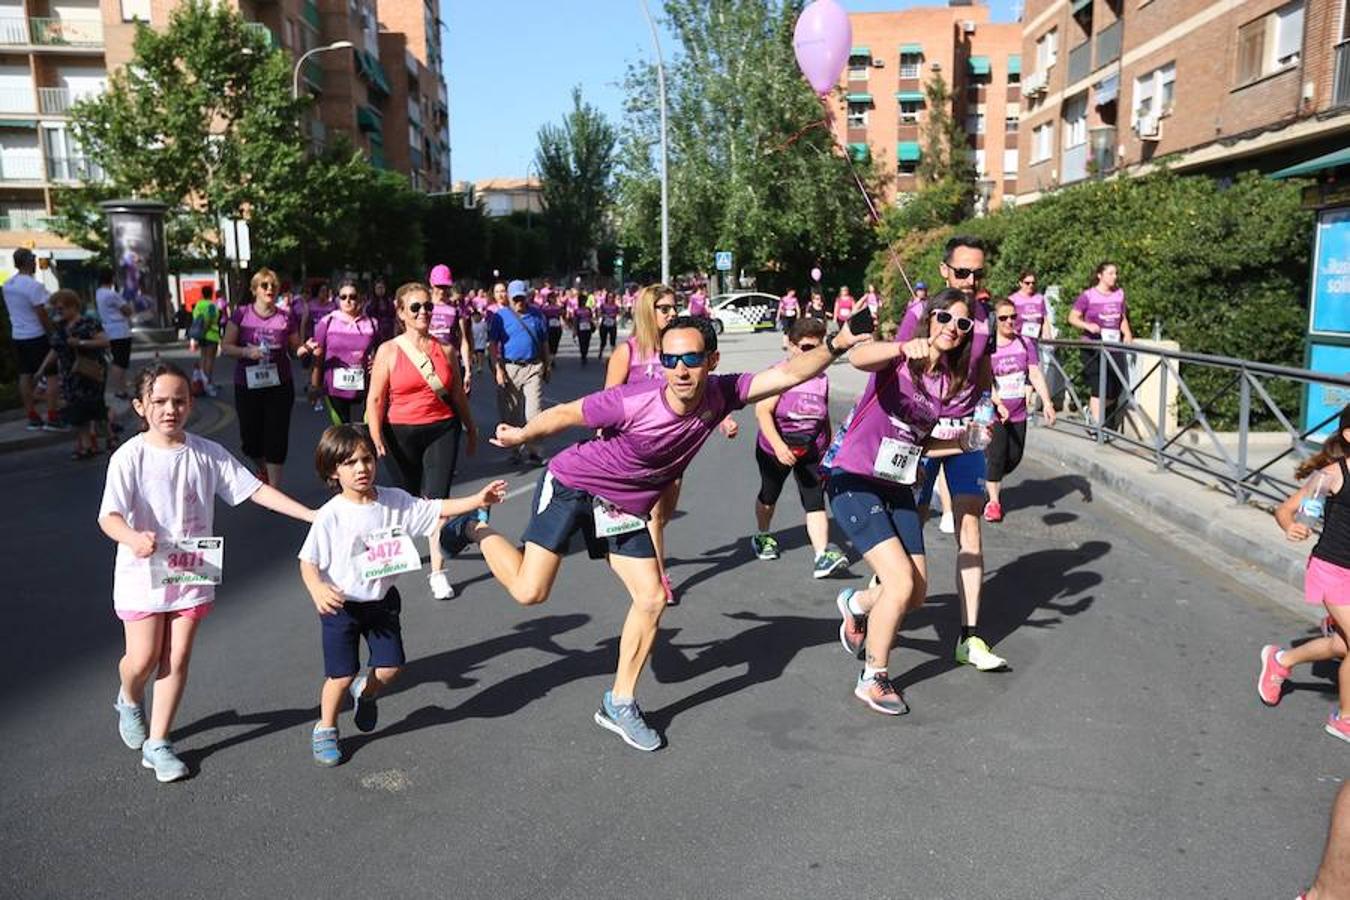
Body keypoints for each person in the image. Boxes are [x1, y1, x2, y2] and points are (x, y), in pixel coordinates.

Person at [442, 313, 871, 751]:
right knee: (530, 591)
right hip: (574, 483)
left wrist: (837, 343)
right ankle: (474, 527)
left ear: (712, 359)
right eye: (670, 359)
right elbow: (570, 412)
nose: (680, 370)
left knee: (651, 597)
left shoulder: (723, 393)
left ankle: (619, 702)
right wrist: (521, 434)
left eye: (691, 358)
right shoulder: (634, 400)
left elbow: (788, 372)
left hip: (622, 506)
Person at [98, 362, 314, 782]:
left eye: (179, 400)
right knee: (141, 660)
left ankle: (158, 743)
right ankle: (128, 696)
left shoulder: (206, 452)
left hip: (191, 569)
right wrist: (131, 537)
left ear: (191, 403)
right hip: (143, 572)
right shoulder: (129, 457)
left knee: (176, 658)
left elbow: (254, 490)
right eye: (159, 401)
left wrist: (308, 514)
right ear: (141, 406)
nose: (170, 409)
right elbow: (108, 517)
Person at [299, 424, 506, 766]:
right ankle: (326, 727)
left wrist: (478, 500)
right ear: (333, 470)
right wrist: (317, 588)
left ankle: (366, 694)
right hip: (341, 606)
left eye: (366, 459)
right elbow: (308, 562)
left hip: (381, 602)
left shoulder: (394, 500)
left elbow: (437, 508)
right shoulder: (331, 515)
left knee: (391, 668)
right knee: (340, 675)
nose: (362, 468)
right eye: (350, 463)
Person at [827, 289, 984, 714]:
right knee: (898, 582)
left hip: (896, 486)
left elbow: (921, 443)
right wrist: (902, 345)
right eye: (944, 318)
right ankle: (873, 677)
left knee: (915, 594)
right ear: (928, 318)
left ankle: (856, 605)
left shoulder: (945, 382)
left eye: (962, 323)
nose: (952, 327)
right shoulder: (898, 358)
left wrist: (964, 442)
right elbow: (858, 358)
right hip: (854, 479)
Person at [897, 235, 1005, 671]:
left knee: (970, 525)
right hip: (922, 435)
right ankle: (876, 599)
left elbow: (982, 368)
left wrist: (988, 404)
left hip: (964, 435)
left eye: (978, 273)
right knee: (911, 526)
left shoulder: (985, 317)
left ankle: (969, 637)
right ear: (945, 271)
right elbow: (893, 367)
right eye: (962, 272)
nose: (971, 280)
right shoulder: (918, 313)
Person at [366, 282, 477, 601]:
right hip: (398, 433)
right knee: (403, 501)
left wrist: (471, 428)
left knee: (436, 503)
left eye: (427, 306)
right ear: (401, 312)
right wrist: (375, 436)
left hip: (441, 429)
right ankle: (384, 567)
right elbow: (375, 399)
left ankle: (438, 573)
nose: (423, 312)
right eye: (415, 307)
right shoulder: (388, 351)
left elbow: (456, 394)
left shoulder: (446, 350)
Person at [1258, 404, 1350, 743]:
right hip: (1331, 568)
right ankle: (1344, 719)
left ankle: (1282, 660)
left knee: (1343, 646)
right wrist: (1292, 527)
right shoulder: (1333, 474)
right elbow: (1286, 509)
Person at [751, 316, 848, 578]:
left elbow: (824, 415)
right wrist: (779, 446)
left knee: (815, 501)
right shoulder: (779, 374)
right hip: (775, 449)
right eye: (807, 348)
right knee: (769, 496)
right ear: (791, 346)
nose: (813, 354)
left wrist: (828, 448)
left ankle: (822, 555)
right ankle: (762, 535)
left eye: (818, 348)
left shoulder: (822, 378)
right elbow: (763, 412)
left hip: (810, 451)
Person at [605, 284, 681, 602]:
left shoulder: (677, 350)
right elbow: (608, 400)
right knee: (650, 516)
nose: (673, 313)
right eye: (665, 308)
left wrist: (722, 419)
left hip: (676, 446)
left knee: (662, 517)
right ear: (648, 311)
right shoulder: (629, 351)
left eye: (674, 307)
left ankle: (645, 567)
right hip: (638, 449)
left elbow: (695, 391)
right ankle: (657, 579)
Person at [221, 267, 310, 486]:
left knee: (276, 436)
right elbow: (226, 347)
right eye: (264, 285)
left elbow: (295, 348)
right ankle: (263, 469)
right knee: (250, 440)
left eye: (273, 285)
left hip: (279, 384)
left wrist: (306, 349)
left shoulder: (285, 317)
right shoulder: (241, 314)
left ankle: (275, 488)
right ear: (255, 290)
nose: (269, 289)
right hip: (247, 384)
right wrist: (246, 352)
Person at [984, 298, 1056, 522]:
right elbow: (985, 380)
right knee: (996, 457)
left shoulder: (1025, 343)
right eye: (1003, 317)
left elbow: (1034, 373)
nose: (1009, 321)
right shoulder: (989, 347)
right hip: (995, 413)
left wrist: (1047, 402)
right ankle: (993, 502)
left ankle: (988, 476)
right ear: (996, 319)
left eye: (1013, 316)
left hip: (1019, 412)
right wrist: (997, 403)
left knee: (1014, 457)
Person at [488, 280, 551, 465]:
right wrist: (498, 369)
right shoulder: (500, 316)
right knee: (511, 413)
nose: (519, 302)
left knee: (534, 413)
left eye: (522, 298)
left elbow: (544, 342)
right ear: (508, 297)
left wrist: (547, 365)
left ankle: (534, 451)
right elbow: (492, 345)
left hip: (533, 367)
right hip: (510, 368)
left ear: (527, 296)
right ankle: (515, 449)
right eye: (515, 298)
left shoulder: (537, 315)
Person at [46, 289, 109, 459]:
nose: (59, 312)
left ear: (73, 306)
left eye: (62, 308)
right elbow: (55, 349)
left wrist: (80, 342)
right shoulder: (60, 327)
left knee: (92, 408)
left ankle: (105, 437)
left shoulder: (88, 323)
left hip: (89, 372)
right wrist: (41, 369)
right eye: (57, 309)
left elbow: (104, 341)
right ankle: (87, 445)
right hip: (70, 374)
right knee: (77, 410)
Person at [1069, 261, 1133, 428]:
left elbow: (1122, 318)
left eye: (1116, 273)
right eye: (1111, 273)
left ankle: (1091, 412)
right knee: (1099, 385)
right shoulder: (1088, 295)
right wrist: (1087, 326)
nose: (1114, 277)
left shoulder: (1119, 294)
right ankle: (1097, 427)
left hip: (1113, 346)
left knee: (1114, 389)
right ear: (1100, 275)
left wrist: (1127, 333)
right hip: (1092, 346)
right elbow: (1072, 317)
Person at [309, 279, 378, 425]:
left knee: (361, 434)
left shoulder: (371, 324)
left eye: (353, 297)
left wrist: (376, 363)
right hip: (335, 389)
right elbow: (318, 356)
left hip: (364, 390)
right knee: (341, 435)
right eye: (343, 297)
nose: (348, 301)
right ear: (337, 299)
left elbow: (380, 352)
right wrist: (315, 385)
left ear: (361, 298)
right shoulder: (327, 322)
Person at [6, 247, 61, 431]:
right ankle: (53, 416)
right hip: (37, 335)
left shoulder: (8, 285)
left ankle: (32, 415)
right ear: (29, 262)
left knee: (25, 375)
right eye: (34, 259)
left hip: (18, 335)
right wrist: (52, 333)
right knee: (52, 376)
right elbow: (42, 314)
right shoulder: (33, 286)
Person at [428, 264, 472, 395]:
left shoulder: (455, 309)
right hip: (428, 366)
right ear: (431, 283)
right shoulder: (424, 307)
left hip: (451, 364)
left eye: (445, 287)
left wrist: (468, 370)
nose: (442, 290)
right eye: (438, 286)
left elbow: (463, 340)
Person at [95, 267, 133, 399]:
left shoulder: (98, 293)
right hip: (120, 330)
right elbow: (127, 310)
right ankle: (120, 389)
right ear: (111, 278)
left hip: (108, 329)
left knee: (117, 360)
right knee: (121, 361)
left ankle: (120, 387)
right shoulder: (111, 294)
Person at [188, 284, 222, 397]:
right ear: (211, 294)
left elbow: (195, 318)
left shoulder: (198, 305)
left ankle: (201, 381)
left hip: (201, 336)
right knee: (210, 359)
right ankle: (208, 382)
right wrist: (206, 330)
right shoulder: (211, 305)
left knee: (203, 357)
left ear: (202, 294)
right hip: (211, 335)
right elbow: (209, 319)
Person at [1010, 270, 1049, 341]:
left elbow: (1045, 320)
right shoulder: (1013, 299)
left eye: (1033, 283)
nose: (1031, 285)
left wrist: (1047, 336)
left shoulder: (1040, 298)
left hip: (1036, 340)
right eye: (1027, 283)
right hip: (1018, 340)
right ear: (1020, 283)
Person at [367, 278, 395, 343]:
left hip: (388, 329)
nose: (380, 290)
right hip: (376, 329)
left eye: (382, 288)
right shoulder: (370, 303)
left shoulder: (389, 301)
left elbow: (393, 315)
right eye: (378, 288)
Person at [540, 290, 565, 356]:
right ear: (548, 298)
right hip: (549, 327)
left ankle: (553, 355)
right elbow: (542, 317)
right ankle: (550, 356)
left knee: (556, 342)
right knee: (549, 342)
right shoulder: (544, 308)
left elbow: (562, 315)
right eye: (552, 298)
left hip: (557, 327)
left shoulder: (558, 307)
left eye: (554, 297)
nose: (553, 299)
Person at [597, 292, 620, 359]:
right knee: (603, 340)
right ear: (606, 298)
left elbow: (619, 313)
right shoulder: (603, 305)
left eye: (612, 297)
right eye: (609, 297)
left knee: (613, 340)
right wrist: (603, 316)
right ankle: (600, 352)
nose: (610, 298)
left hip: (612, 324)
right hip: (604, 324)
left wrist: (616, 317)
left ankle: (614, 355)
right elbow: (599, 313)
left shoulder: (615, 306)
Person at [573, 298, 595, 365]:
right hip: (580, 328)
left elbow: (591, 318)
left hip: (588, 328)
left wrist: (593, 324)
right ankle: (583, 355)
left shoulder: (588, 309)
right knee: (581, 341)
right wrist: (575, 330)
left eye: (584, 301)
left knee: (587, 341)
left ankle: (585, 353)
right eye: (582, 301)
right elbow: (575, 320)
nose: (583, 302)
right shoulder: (577, 310)